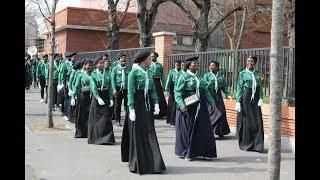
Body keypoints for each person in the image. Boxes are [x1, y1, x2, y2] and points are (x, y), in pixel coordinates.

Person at [127, 50, 166, 174]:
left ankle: (154, 163)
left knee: (150, 130)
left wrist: (155, 103)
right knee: (139, 132)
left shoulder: (149, 72)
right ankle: (139, 162)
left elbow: (153, 89)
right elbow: (130, 92)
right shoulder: (133, 73)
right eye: (149, 59)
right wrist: (131, 109)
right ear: (144, 60)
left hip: (147, 103)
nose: (151, 60)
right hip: (138, 103)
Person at [174, 56, 217, 161]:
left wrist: (213, 104)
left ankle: (204, 152)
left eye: (197, 63)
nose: (196, 64)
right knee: (188, 129)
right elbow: (178, 92)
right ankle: (187, 152)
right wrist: (182, 105)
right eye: (194, 63)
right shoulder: (183, 77)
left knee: (204, 128)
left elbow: (205, 92)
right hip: (189, 107)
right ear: (189, 65)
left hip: (200, 106)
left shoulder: (200, 78)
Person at [235, 55, 264, 153]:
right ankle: (247, 144)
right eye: (248, 61)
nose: (249, 63)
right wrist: (238, 101)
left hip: (255, 99)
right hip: (246, 98)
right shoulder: (242, 73)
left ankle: (257, 145)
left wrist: (261, 98)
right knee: (247, 120)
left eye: (251, 61)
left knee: (257, 120)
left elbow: (260, 87)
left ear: (255, 63)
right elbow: (239, 88)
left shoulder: (258, 73)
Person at [87, 55, 115, 144]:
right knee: (96, 118)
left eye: (103, 63)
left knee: (106, 117)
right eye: (100, 63)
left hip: (106, 95)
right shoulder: (93, 74)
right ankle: (95, 138)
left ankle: (106, 138)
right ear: (96, 65)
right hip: (97, 97)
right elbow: (93, 88)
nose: (102, 64)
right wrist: (98, 98)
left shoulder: (107, 73)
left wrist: (111, 98)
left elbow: (110, 86)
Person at [203, 61, 232, 139]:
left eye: (213, 65)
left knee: (221, 112)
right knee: (211, 113)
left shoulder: (221, 76)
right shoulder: (207, 75)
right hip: (209, 95)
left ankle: (220, 131)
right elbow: (205, 86)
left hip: (218, 96)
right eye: (210, 65)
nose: (211, 67)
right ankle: (209, 131)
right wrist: (210, 82)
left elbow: (224, 87)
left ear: (217, 67)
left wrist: (227, 94)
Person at [71, 59, 93, 138]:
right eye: (88, 65)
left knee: (91, 114)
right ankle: (81, 132)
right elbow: (76, 86)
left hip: (92, 97)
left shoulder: (94, 74)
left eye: (91, 65)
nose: (90, 67)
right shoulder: (80, 74)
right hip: (83, 96)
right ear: (84, 66)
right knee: (82, 114)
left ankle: (90, 132)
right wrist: (73, 96)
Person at [111, 52, 130, 127]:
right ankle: (117, 120)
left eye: (124, 58)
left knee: (128, 105)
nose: (123, 59)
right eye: (122, 58)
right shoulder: (115, 69)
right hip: (118, 89)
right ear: (118, 60)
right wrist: (114, 89)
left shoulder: (128, 68)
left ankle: (127, 120)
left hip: (126, 89)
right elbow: (113, 80)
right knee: (117, 105)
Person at [57, 51, 78, 121]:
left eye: (76, 57)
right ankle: (66, 113)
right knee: (67, 99)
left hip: (74, 83)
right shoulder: (65, 64)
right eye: (74, 57)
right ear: (70, 57)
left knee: (73, 99)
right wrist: (62, 84)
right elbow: (63, 75)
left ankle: (71, 114)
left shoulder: (76, 64)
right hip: (67, 83)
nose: (75, 58)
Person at [148, 52, 167, 119]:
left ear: (156, 57)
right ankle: (152, 113)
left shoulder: (159, 65)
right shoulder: (148, 64)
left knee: (159, 97)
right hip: (151, 81)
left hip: (157, 81)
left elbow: (162, 76)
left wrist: (164, 85)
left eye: (153, 56)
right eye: (151, 56)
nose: (151, 57)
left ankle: (161, 113)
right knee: (152, 97)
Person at [164, 60, 181, 127]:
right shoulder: (172, 72)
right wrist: (167, 90)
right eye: (176, 65)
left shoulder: (182, 72)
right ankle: (170, 120)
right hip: (172, 88)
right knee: (171, 104)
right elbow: (168, 81)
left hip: (179, 88)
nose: (177, 66)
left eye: (178, 65)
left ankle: (176, 120)